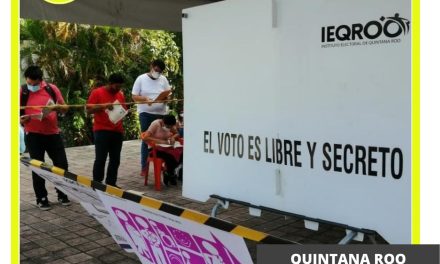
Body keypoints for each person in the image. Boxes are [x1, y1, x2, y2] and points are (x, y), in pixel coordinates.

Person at [20, 65, 71, 210]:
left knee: (62, 165)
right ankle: (41, 198)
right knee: (38, 166)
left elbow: (65, 107)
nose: (31, 86)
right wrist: (21, 120)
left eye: (34, 84)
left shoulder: (51, 89)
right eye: (29, 83)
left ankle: (62, 193)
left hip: (52, 134)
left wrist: (57, 107)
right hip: (33, 135)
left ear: (40, 81)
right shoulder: (22, 91)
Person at [132, 59, 172, 177]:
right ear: (151, 66)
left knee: (162, 140)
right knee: (146, 139)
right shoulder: (141, 78)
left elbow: (168, 95)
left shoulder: (163, 79)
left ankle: (163, 166)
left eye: (160, 72)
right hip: (146, 113)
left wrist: (165, 99)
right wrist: (145, 99)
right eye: (156, 70)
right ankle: (144, 167)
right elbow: (134, 97)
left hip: (161, 114)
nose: (157, 73)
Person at [87, 73, 126, 187]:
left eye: (120, 87)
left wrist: (124, 112)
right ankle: (97, 183)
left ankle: (111, 182)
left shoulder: (120, 94)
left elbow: (122, 108)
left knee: (115, 159)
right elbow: (88, 110)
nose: (117, 90)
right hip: (102, 130)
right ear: (110, 83)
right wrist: (104, 106)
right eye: (116, 87)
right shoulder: (97, 92)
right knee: (101, 158)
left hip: (117, 130)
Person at [141, 115, 182, 186]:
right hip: (154, 149)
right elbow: (145, 138)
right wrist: (161, 141)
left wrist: (173, 137)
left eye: (170, 127)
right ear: (163, 122)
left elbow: (177, 133)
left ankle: (168, 172)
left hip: (166, 147)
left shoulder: (170, 125)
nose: (169, 128)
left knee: (181, 153)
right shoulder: (156, 124)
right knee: (170, 156)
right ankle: (170, 174)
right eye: (167, 126)